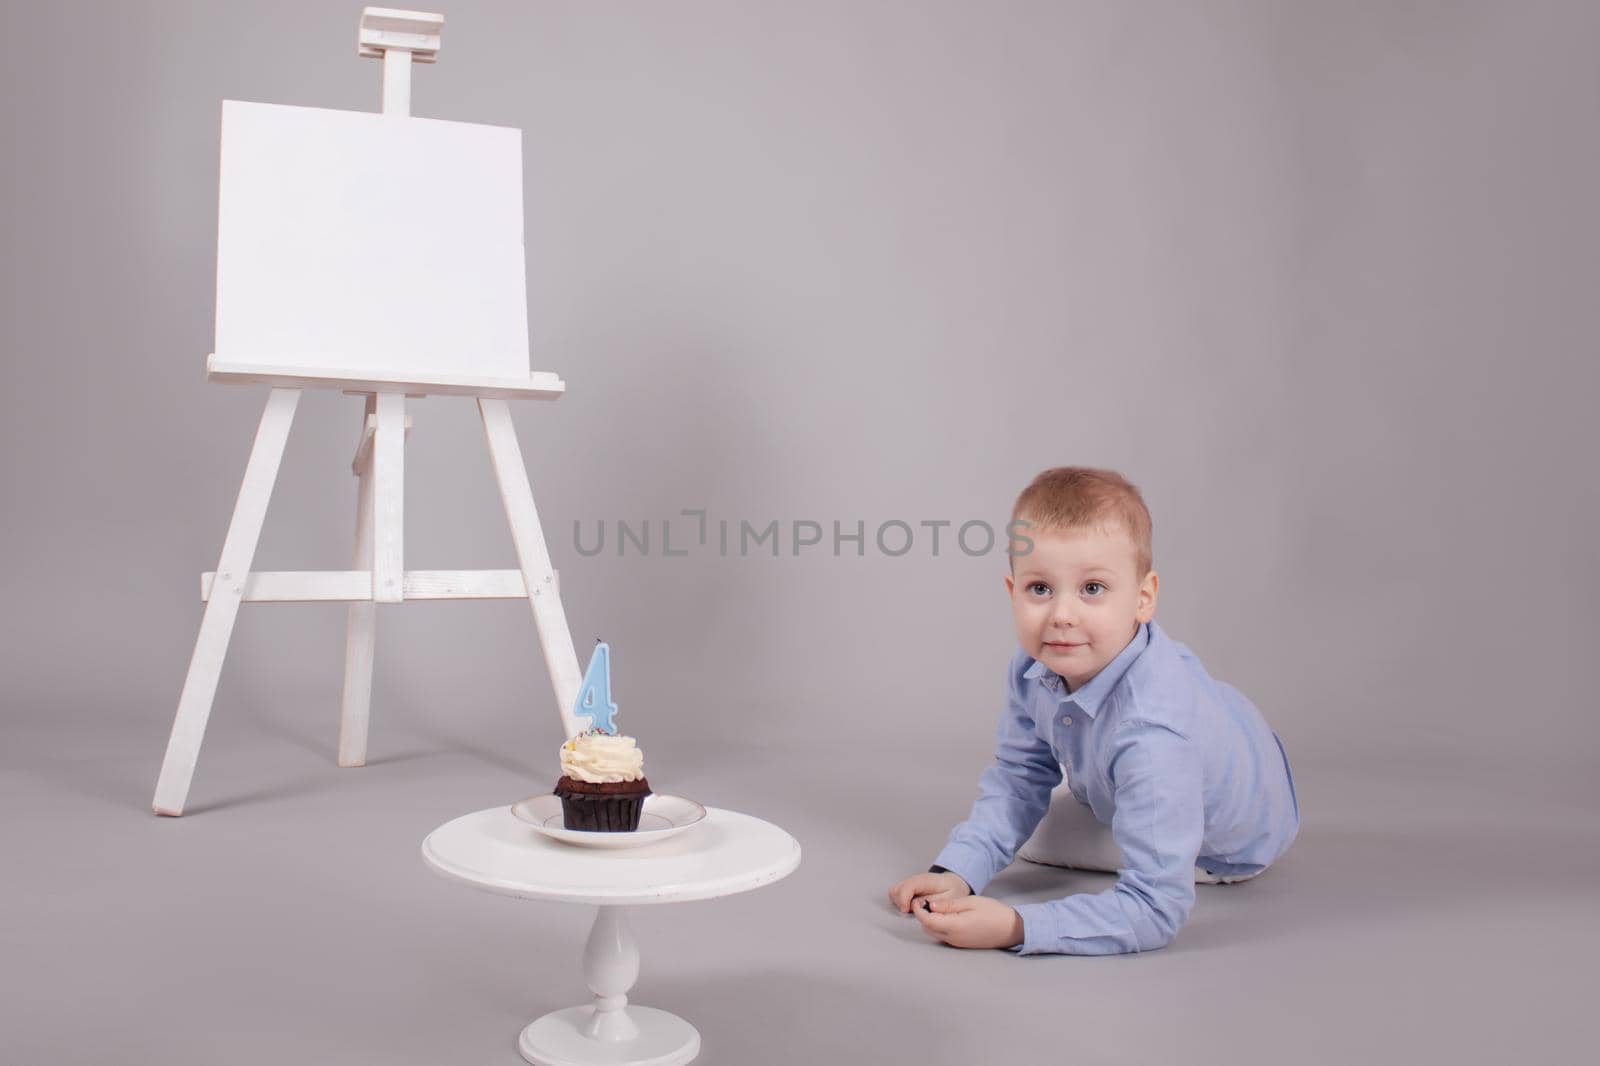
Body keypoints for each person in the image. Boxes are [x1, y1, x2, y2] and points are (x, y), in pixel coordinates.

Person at [887, 467, 1299, 955]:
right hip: (1217, 739)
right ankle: (1134, 773)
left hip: (1232, 842)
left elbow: (1155, 907)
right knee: (1032, 798)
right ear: (1012, 590)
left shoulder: (1153, 738)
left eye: (1093, 589)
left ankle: (1192, 827)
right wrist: (956, 872)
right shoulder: (1033, 666)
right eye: (1040, 588)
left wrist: (1016, 925)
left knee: (1037, 836)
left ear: (1143, 599)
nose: (1062, 615)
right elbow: (1021, 775)